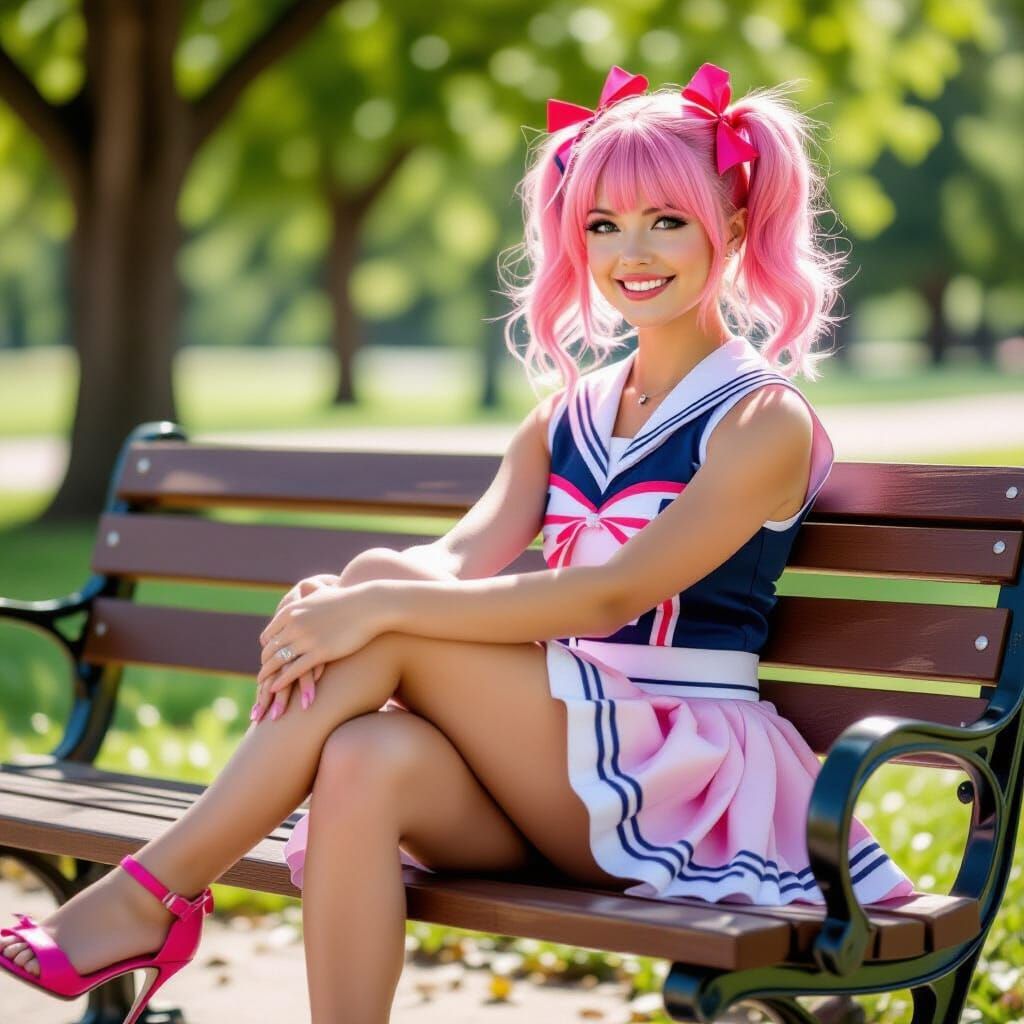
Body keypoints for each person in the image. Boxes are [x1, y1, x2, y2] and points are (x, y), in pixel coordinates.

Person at [0, 61, 914, 1024]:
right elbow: (453, 558)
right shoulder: (567, 415)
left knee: (387, 617)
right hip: (556, 764)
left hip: (677, 775)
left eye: (667, 221)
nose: (632, 252)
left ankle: (150, 896)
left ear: (732, 222)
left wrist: (377, 608)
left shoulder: (761, 418)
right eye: (603, 225)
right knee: (364, 748)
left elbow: (611, 595)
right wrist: (350, 593)